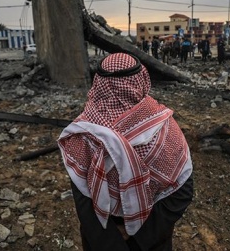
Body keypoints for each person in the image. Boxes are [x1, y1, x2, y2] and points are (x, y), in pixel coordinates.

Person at [58, 53, 193, 251]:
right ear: (141, 80)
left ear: (98, 83)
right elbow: (182, 191)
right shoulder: (165, 129)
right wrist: (138, 238)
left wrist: (114, 242)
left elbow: (84, 202)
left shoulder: (83, 133)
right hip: (151, 241)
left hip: (102, 240)